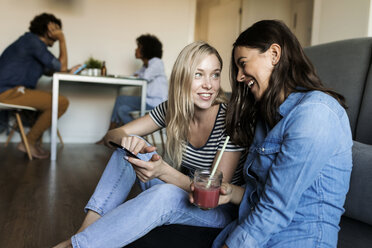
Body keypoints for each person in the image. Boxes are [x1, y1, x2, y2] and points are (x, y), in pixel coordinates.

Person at [54, 41, 247, 248]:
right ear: (182, 77)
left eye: (215, 74)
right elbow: (113, 134)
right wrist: (127, 140)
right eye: (198, 74)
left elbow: (213, 194)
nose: (209, 85)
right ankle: (83, 234)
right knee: (128, 152)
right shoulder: (172, 109)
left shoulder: (229, 119)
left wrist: (162, 171)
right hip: (187, 192)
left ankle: (75, 246)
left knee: (165, 194)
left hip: (218, 211)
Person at [205, 20, 353, 248]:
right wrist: (233, 193)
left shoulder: (316, 114)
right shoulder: (269, 116)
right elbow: (267, 192)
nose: (239, 77)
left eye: (243, 64)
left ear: (274, 54)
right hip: (252, 232)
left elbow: (276, 206)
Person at [0, 13, 80, 159]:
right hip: (7, 92)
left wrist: (68, 71)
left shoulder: (33, 46)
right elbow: (60, 67)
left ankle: (32, 142)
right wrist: (62, 39)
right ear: (48, 29)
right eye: (56, 30)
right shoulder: (32, 41)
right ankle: (28, 142)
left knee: (53, 100)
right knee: (61, 102)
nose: (58, 34)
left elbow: (53, 70)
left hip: (12, 91)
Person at [110, 34, 168, 128]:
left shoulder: (157, 62)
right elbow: (134, 76)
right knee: (122, 110)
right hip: (148, 101)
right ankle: (138, 134)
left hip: (156, 103)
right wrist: (139, 74)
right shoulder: (145, 66)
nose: (135, 50)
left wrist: (139, 75)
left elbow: (145, 77)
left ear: (146, 49)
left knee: (121, 99)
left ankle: (110, 130)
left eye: (138, 47)